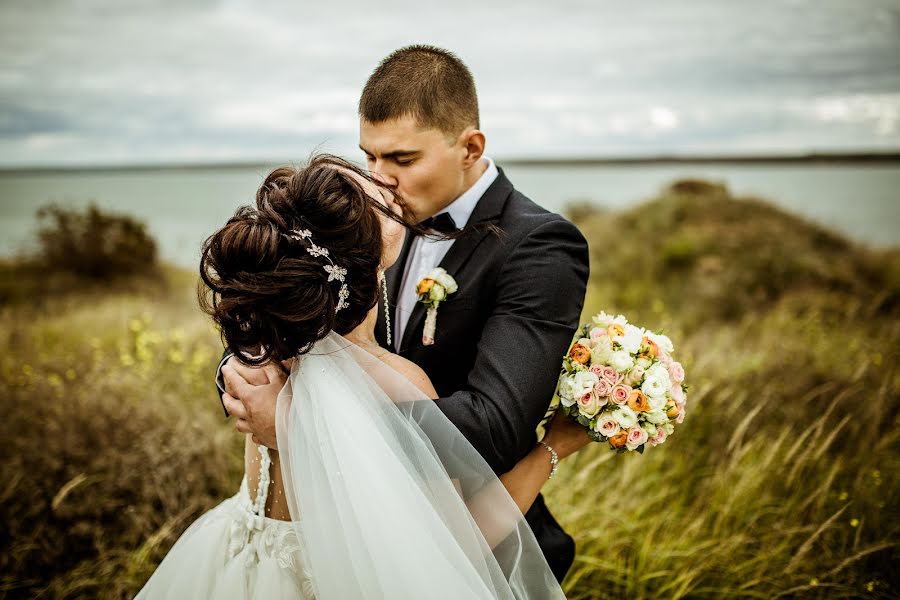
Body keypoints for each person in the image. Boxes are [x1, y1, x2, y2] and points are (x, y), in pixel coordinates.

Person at [136, 155, 590, 598]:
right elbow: (460, 545)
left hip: (230, 569)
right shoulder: (395, 380)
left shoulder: (266, 349)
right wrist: (554, 446)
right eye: (373, 195)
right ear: (373, 261)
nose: (384, 182)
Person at [220, 45, 591, 582]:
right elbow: (300, 324)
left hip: (486, 550)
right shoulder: (367, 229)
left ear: (470, 147)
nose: (379, 180)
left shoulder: (540, 246)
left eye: (402, 159)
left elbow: (493, 429)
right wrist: (244, 379)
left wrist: (299, 421)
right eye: (368, 156)